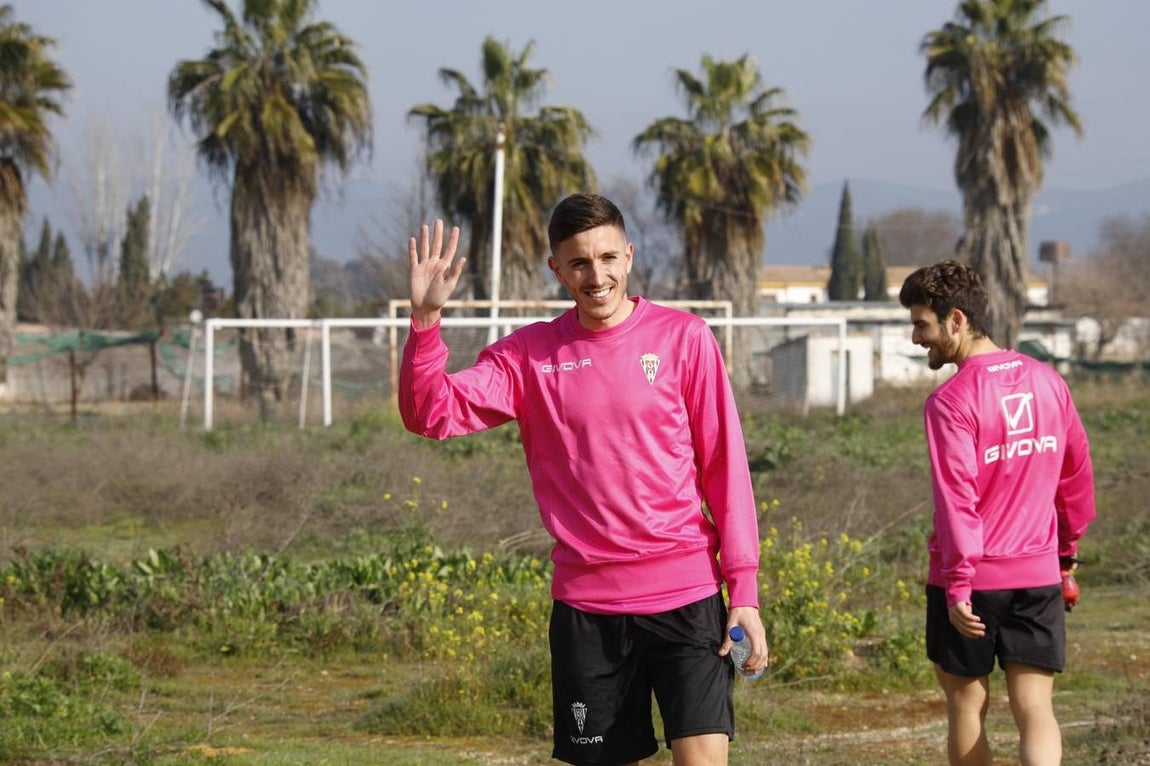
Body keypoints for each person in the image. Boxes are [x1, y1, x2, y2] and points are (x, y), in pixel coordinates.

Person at [399, 193, 768, 765]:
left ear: (628, 255)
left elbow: (726, 470)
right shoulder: (528, 356)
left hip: (688, 599)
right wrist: (425, 323)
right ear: (556, 269)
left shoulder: (684, 339)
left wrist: (743, 591)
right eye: (578, 263)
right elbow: (430, 414)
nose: (596, 276)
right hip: (588, 611)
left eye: (606, 258)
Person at [899, 261, 1096, 766]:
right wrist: (1066, 554)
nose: (917, 337)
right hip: (1037, 573)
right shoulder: (1049, 381)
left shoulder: (950, 401)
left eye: (922, 323)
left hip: (969, 584)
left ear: (957, 321)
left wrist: (960, 582)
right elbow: (1075, 478)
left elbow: (957, 501)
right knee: (1036, 708)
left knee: (966, 707)